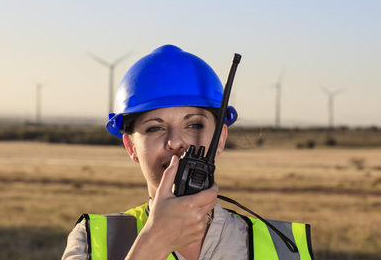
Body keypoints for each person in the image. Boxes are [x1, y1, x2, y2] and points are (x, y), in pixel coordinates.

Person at [62, 45, 314, 260]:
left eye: (194, 124)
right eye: (155, 128)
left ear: (221, 138)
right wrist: (152, 245)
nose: (176, 142)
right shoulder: (93, 239)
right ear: (131, 147)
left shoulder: (284, 248)